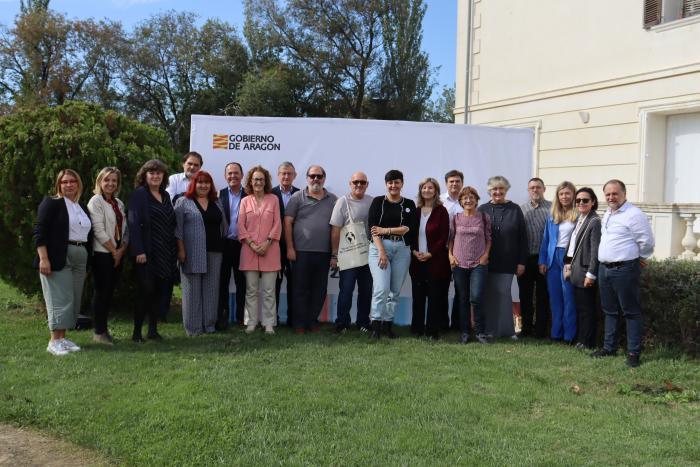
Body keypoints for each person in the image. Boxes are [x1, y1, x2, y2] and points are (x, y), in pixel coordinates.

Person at [591, 179, 654, 368]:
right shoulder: (608, 213)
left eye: (615, 193)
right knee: (609, 311)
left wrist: (639, 257)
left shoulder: (634, 214)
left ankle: (633, 353)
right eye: (608, 194)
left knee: (631, 312)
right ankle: (609, 348)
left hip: (624, 269)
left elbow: (647, 242)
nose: (611, 197)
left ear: (624, 194)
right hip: (605, 269)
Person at [34, 169, 92, 356]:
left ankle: (63, 338)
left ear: (78, 184)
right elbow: (39, 231)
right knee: (60, 298)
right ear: (59, 185)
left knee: (73, 297)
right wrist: (44, 258)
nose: (68, 185)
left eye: (72, 181)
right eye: (64, 182)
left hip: (80, 254)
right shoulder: (52, 203)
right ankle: (54, 341)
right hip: (58, 254)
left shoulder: (81, 207)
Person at [128, 159, 177, 342]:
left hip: (165, 252)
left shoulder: (165, 195)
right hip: (147, 252)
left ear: (163, 176)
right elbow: (133, 223)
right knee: (145, 292)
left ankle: (153, 330)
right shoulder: (140, 194)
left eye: (159, 173)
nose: (155, 176)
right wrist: (138, 250)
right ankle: (136, 333)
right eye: (151, 173)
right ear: (145, 175)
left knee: (159, 293)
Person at [284, 165, 337, 333]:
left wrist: (334, 254)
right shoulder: (297, 197)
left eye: (319, 176)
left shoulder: (333, 199)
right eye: (312, 176)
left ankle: (312, 322)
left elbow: (337, 228)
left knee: (319, 290)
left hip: (324, 252)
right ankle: (299, 324)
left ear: (324, 179)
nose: (316, 179)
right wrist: (290, 248)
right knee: (300, 289)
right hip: (301, 252)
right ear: (307, 178)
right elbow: (287, 223)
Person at [367, 169, 418, 339]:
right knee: (381, 288)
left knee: (394, 290)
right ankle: (375, 324)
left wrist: (386, 229)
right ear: (386, 184)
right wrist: (382, 252)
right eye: (390, 182)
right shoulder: (377, 202)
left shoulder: (409, 204)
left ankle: (387, 325)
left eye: (397, 182)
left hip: (402, 249)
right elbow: (373, 230)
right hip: (380, 248)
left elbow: (408, 228)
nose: (393, 185)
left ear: (402, 184)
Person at [174, 171, 226, 336]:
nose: (203, 186)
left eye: (207, 183)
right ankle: (193, 328)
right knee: (192, 291)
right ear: (193, 184)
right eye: (200, 182)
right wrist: (181, 250)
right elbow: (177, 229)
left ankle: (209, 326)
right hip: (191, 252)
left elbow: (223, 225)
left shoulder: (216, 202)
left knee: (211, 290)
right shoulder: (183, 202)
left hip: (214, 252)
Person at [478, 175, 527, 339]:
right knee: (489, 295)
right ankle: (490, 330)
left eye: (501, 188)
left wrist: (521, 262)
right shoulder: (482, 209)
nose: (497, 192)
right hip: (486, 261)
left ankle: (508, 331)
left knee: (504, 294)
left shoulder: (515, 209)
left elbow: (522, 237)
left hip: (508, 261)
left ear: (506, 190)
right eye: (494, 189)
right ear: (489, 191)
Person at [238, 166, 282, 334]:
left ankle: (269, 323)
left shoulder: (274, 199)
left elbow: (277, 223)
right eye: (255, 179)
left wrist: (267, 243)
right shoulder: (245, 201)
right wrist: (251, 244)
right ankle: (251, 322)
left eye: (261, 179)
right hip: (249, 250)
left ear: (266, 182)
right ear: (250, 181)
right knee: (251, 290)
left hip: (270, 250)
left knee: (269, 290)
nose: (258, 182)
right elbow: (240, 225)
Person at [87, 167, 128, 345]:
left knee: (109, 292)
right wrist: (114, 251)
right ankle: (99, 332)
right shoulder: (95, 201)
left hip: (117, 253)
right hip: (103, 254)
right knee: (101, 292)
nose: (110, 183)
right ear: (100, 182)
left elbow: (126, 229)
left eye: (114, 181)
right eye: (107, 180)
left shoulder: (118, 203)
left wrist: (121, 250)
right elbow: (98, 230)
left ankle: (104, 331)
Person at [329, 172, 373, 334]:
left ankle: (363, 322)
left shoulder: (372, 201)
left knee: (366, 291)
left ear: (367, 184)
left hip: (368, 255)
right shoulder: (342, 202)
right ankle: (342, 323)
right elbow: (335, 229)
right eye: (356, 182)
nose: (359, 185)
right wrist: (334, 254)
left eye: (362, 182)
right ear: (350, 183)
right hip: (347, 255)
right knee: (346, 290)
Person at [449, 186, 491, 344]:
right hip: (459, 264)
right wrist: (450, 256)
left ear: (476, 200)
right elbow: (451, 238)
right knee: (463, 298)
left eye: (471, 197)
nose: (468, 200)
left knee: (477, 297)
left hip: (478, 264)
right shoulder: (456, 218)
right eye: (465, 198)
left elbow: (489, 238)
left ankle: (480, 332)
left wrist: (486, 255)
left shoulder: (484, 217)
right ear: (460, 201)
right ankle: (465, 332)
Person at [409, 178, 451, 340]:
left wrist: (430, 253)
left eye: (430, 188)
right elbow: (410, 234)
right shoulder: (416, 211)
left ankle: (433, 330)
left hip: (435, 261)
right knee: (418, 297)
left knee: (435, 297)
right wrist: (414, 251)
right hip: (417, 260)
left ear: (436, 191)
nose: (427, 190)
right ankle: (417, 329)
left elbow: (443, 236)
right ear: (421, 191)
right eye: (424, 188)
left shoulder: (442, 211)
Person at [539, 181, 578, 343]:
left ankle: (569, 335)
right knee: (555, 298)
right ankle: (556, 334)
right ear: (557, 196)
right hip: (552, 258)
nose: (564, 196)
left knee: (569, 297)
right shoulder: (552, 215)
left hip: (570, 258)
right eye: (561, 194)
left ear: (573, 195)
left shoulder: (579, 215)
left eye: (567, 193)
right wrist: (542, 260)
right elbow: (546, 240)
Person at [565, 187, 601, 350]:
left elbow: (595, 251)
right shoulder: (580, 218)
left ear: (593, 202)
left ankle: (587, 342)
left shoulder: (594, 221)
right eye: (578, 200)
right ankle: (581, 339)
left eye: (585, 200)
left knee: (587, 309)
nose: (581, 203)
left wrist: (591, 274)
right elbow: (573, 246)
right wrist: (567, 264)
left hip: (585, 271)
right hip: (576, 270)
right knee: (580, 308)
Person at [518, 177, 551, 338]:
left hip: (544, 259)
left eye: (538, 187)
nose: (535, 190)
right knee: (525, 296)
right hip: (526, 259)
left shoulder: (552, 208)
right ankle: (526, 329)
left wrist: (545, 259)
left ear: (544, 189)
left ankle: (540, 331)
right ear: (528, 190)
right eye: (532, 188)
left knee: (543, 297)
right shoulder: (521, 209)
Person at [218, 162, 247, 329]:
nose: (233, 176)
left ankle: (241, 318)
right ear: (225, 176)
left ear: (242, 175)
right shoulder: (217, 195)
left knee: (242, 282)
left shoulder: (249, 195)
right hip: (223, 245)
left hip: (243, 245)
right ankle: (223, 317)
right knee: (222, 282)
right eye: (229, 173)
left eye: (236, 173)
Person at [272, 162, 300, 327]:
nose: (286, 176)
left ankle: (292, 319)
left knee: (294, 284)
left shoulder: (301, 194)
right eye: (283, 173)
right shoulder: (270, 193)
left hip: (294, 246)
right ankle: (272, 318)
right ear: (278, 175)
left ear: (294, 175)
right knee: (273, 284)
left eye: (289, 173)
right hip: (274, 246)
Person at [440, 169, 464, 331]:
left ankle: (457, 324)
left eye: (457, 181)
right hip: (441, 250)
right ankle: (442, 323)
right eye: (451, 181)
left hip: (462, 250)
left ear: (462, 183)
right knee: (441, 287)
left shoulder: (468, 200)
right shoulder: (439, 201)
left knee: (461, 289)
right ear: (446, 183)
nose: (454, 184)